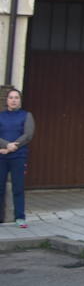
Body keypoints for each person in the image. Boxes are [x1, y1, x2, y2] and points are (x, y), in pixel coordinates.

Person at [0, 85, 34, 228]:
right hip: (2, 156)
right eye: (11, 98)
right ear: (6, 100)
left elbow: (28, 134)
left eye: (16, 98)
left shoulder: (26, 115)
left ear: (20, 101)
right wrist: (7, 145)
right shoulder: (1, 116)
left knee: (18, 188)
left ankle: (20, 217)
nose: (13, 100)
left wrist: (14, 146)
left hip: (18, 156)